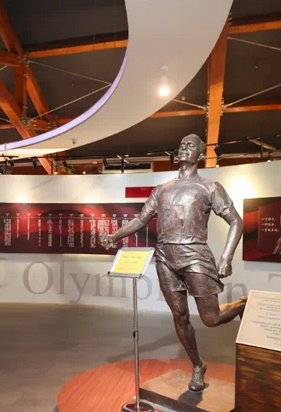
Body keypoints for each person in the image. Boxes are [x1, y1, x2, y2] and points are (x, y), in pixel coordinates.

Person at [102, 133, 247, 393]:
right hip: (165, 258)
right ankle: (197, 366)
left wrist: (226, 257)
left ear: (201, 155)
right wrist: (116, 235)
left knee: (211, 319)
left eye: (190, 145)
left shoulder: (210, 187)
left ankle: (241, 305)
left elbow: (237, 221)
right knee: (179, 316)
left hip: (196, 255)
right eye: (181, 145)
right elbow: (141, 220)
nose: (184, 148)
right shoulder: (162, 189)